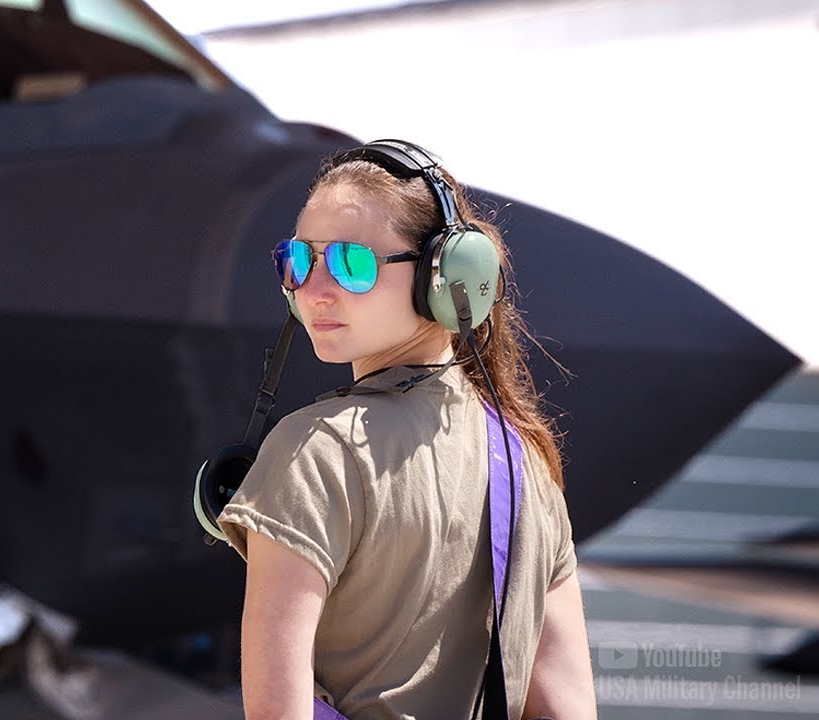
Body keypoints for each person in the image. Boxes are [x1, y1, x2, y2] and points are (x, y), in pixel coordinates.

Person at [214, 140, 596, 720]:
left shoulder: (316, 452)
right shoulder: (526, 469)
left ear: (443, 280)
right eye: (299, 259)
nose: (314, 289)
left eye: (352, 262)